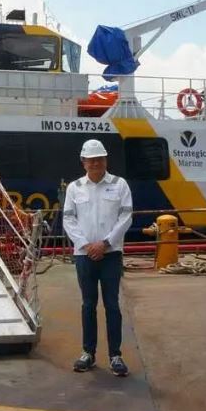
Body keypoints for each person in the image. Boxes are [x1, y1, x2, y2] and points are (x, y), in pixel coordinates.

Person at [62, 138, 133, 377]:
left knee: (112, 305)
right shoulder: (75, 188)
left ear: (105, 161)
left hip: (111, 255)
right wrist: (85, 245)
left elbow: (126, 217)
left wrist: (105, 243)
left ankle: (116, 355)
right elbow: (68, 219)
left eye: (99, 159)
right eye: (91, 160)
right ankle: (88, 353)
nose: (95, 164)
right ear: (83, 162)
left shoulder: (119, 184)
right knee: (88, 305)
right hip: (84, 256)